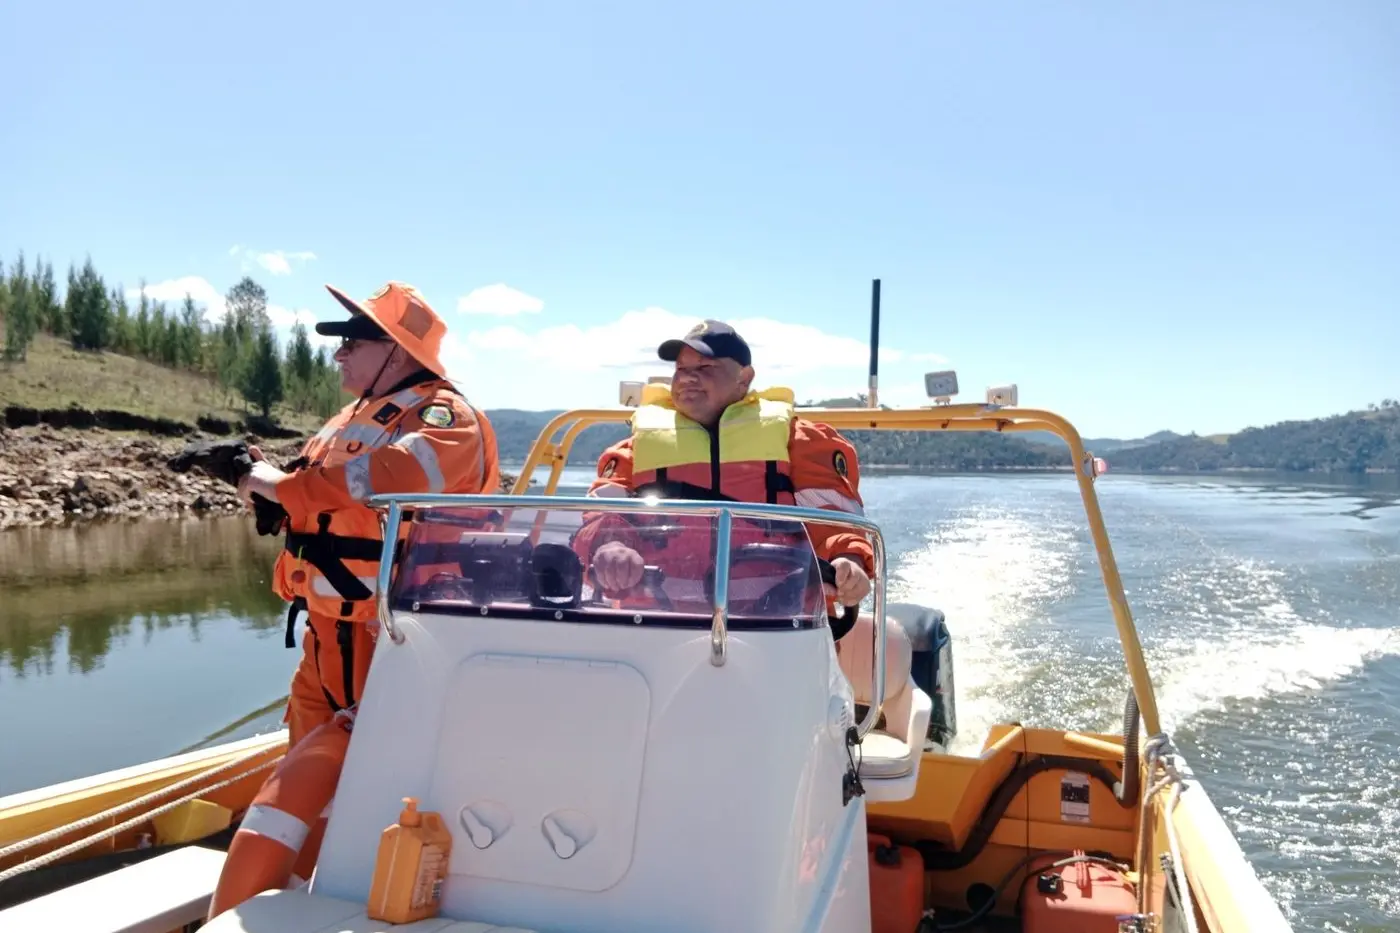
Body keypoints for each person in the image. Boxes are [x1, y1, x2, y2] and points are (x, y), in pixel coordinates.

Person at [237, 281, 502, 748]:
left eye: (352, 342)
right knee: (306, 753)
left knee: (376, 760)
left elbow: (386, 476)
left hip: (393, 632)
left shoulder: (447, 419)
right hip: (326, 630)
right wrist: (270, 497)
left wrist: (280, 487)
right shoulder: (350, 419)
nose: (339, 354)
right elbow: (323, 496)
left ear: (395, 352)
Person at [571, 319, 873, 629]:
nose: (688, 378)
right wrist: (611, 547)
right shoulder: (633, 452)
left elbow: (836, 523)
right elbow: (600, 520)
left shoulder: (801, 443)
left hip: (781, 628)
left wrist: (848, 564)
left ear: (745, 378)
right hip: (652, 627)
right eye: (681, 369)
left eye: (705, 367)